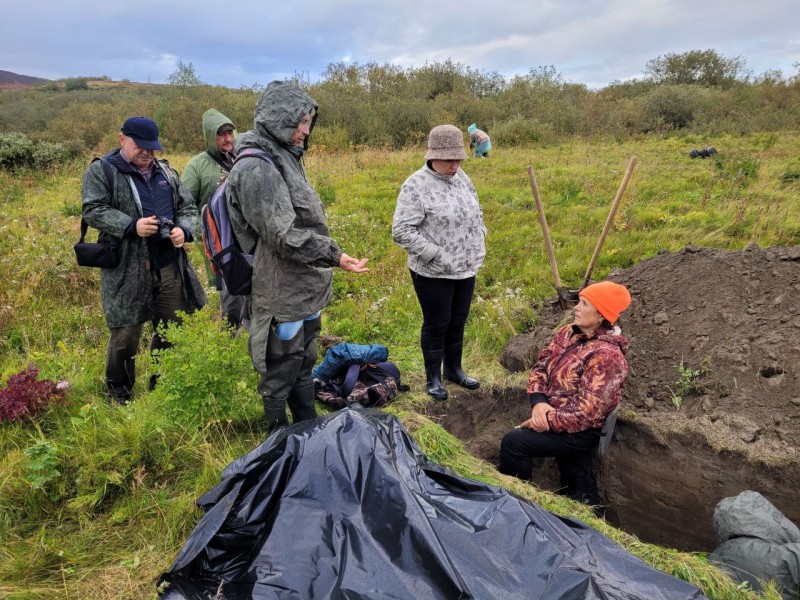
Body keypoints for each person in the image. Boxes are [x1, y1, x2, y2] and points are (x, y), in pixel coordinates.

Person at [227, 81, 369, 429]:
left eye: (308, 121)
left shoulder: (286, 156)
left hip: (303, 285)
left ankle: (306, 426)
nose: (306, 130)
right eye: (300, 121)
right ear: (279, 120)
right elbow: (283, 235)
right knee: (280, 366)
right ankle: (277, 443)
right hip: (280, 290)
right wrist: (334, 255)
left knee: (304, 359)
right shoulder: (256, 167)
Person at [81, 116, 207, 403]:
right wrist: (130, 225)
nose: (147, 153)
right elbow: (93, 209)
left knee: (171, 330)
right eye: (141, 146)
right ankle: (119, 394)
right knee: (125, 336)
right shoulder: (103, 171)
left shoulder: (167, 173)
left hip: (168, 266)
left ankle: (164, 388)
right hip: (126, 269)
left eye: (152, 147)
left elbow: (188, 207)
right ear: (122, 139)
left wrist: (183, 230)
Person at [497, 281, 631, 507]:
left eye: (584, 304)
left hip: (582, 429)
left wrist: (546, 421)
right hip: (556, 413)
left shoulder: (607, 357)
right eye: (578, 301)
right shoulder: (568, 333)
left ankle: (515, 506)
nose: (576, 308)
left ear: (601, 315)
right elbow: (541, 366)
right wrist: (538, 402)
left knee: (514, 443)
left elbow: (586, 414)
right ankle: (585, 504)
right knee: (577, 481)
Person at [392, 124, 487, 401]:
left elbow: (476, 206)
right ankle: (433, 377)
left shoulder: (462, 178)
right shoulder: (415, 186)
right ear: (432, 156)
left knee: (458, 320)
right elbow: (401, 231)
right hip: (432, 271)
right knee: (438, 322)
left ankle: (454, 370)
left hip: (465, 267)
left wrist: (480, 234)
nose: (454, 165)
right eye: (449, 160)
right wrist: (434, 253)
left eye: (458, 159)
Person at [181, 109, 248, 328]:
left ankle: (250, 335)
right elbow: (183, 204)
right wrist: (196, 233)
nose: (228, 138)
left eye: (230, 132)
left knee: (251, 288)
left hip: (247, 238)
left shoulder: (244, 157)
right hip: (220, 241)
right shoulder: (197, 166)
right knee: (230, 289)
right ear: (210, 136)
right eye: (221, 134)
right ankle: (229, 340)